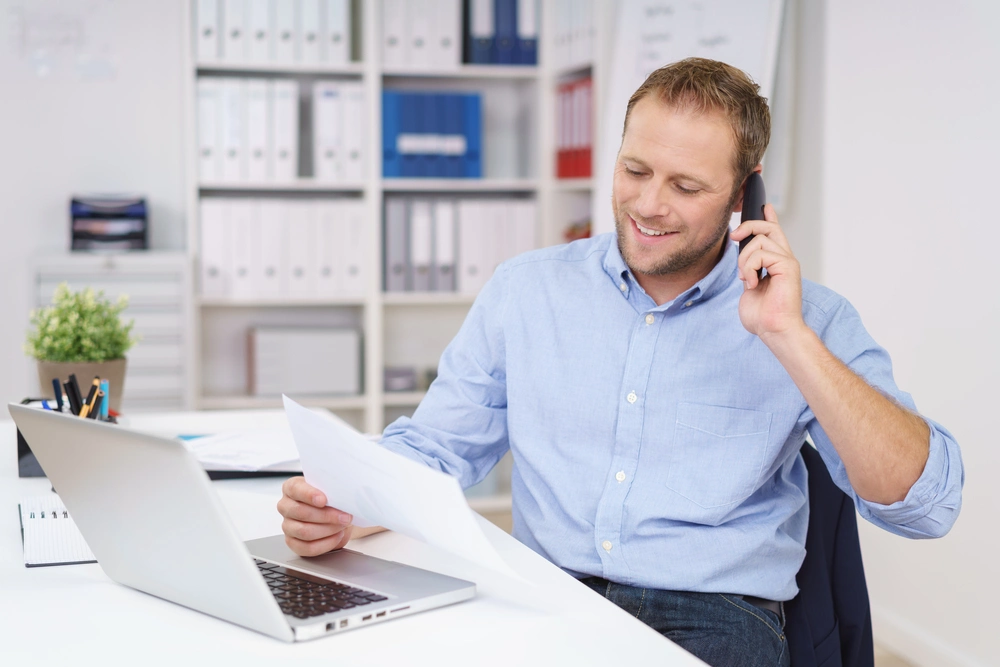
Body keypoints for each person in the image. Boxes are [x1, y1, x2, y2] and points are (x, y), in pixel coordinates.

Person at [277, 58, 963, 666]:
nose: (648, 204)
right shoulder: (527, 290)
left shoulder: (812, 317)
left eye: (687, 186)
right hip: (547, 596)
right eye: (635, 169)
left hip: (716, 616)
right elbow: (437, 446)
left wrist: (790, 337)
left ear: (745, 193)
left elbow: (928, 505)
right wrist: (347, 505)